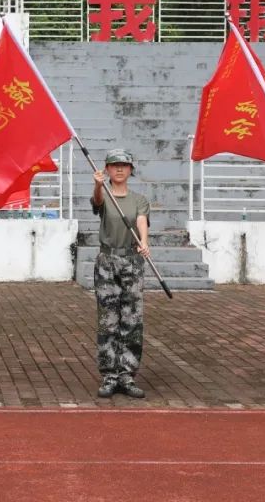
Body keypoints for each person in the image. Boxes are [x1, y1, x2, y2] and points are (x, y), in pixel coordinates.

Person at [91, 149, 150, 400]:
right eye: (114, 165)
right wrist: (97, 185)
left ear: (130, 169)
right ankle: (109, 375)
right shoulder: (104, 194)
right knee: (108, 319)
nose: (119, 169)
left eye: (124, 165)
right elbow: (98, 204)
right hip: (107, 260)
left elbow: (141, 221)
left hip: (132, 261)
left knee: (132, 320)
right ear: (106, 169)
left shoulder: (138, 199)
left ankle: (127, 374)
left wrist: (144, 242)